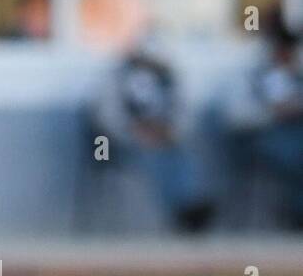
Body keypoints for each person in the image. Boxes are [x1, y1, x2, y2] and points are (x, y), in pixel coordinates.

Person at [93, 38, 215, 233]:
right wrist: (133, 131)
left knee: (182, 156)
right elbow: (106, 117)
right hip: (126, 145)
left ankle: (191, 202)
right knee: (153, 159)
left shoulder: (168, 79)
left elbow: (184, 116)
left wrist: (168, 131)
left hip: (164, 140)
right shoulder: (117, 78)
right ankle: (180, 211)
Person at [226, 12, 303, 230]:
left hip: (292, 134)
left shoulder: (294, 76)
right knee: (295, 156)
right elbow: (253, 113)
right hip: (261, 139)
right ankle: (297, 214)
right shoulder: (260, 74)